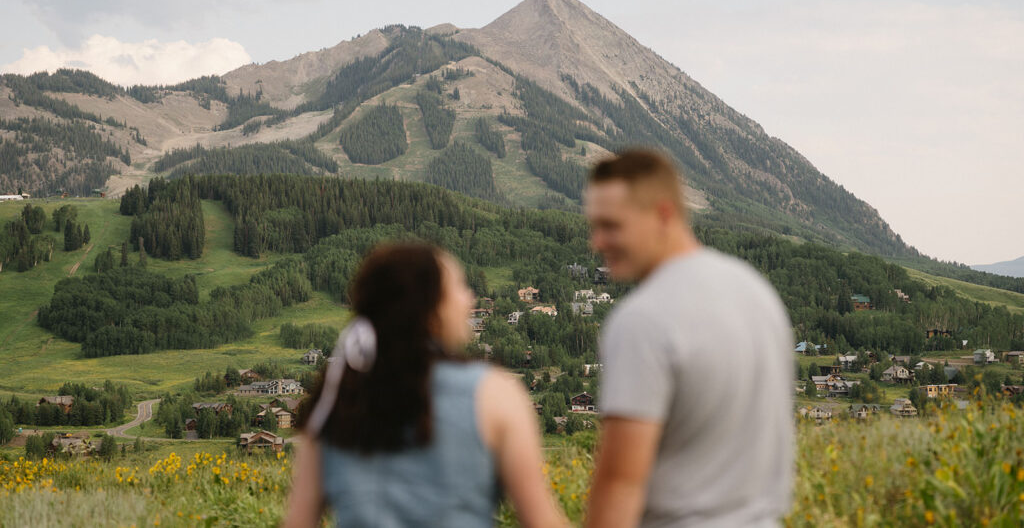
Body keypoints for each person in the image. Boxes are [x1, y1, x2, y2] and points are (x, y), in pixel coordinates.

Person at [283, 242, 568, 528]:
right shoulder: (493, 394)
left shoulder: (335, 399)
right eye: (459, 286)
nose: (469, 299)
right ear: (432, 306)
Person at [583, 149, 794, 528]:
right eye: (594, 226)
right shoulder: (755, 291)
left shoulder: (643, 319)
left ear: (663, 214)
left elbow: (619, 484)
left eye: (611, 225)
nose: (596, 242)